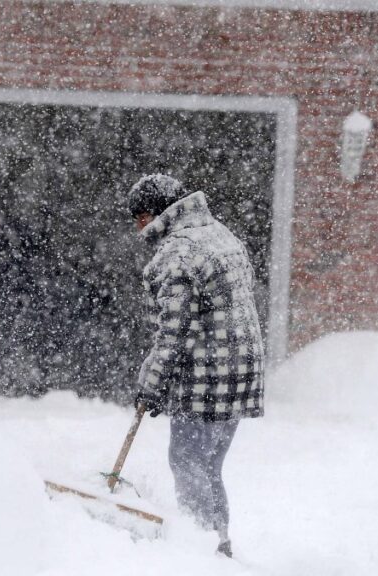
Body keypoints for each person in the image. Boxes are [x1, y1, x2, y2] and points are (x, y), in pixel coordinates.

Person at [127, 174, 265, 558]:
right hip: (241, 369)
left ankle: (202, 552)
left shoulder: (178, 253)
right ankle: (219, 542)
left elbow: (174, 332)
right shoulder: (220, 234)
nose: (138, 227)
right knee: (208, 466)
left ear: (153, 213)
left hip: (207, 374)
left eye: (138, 217)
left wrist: (151, 384)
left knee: (187, 460)